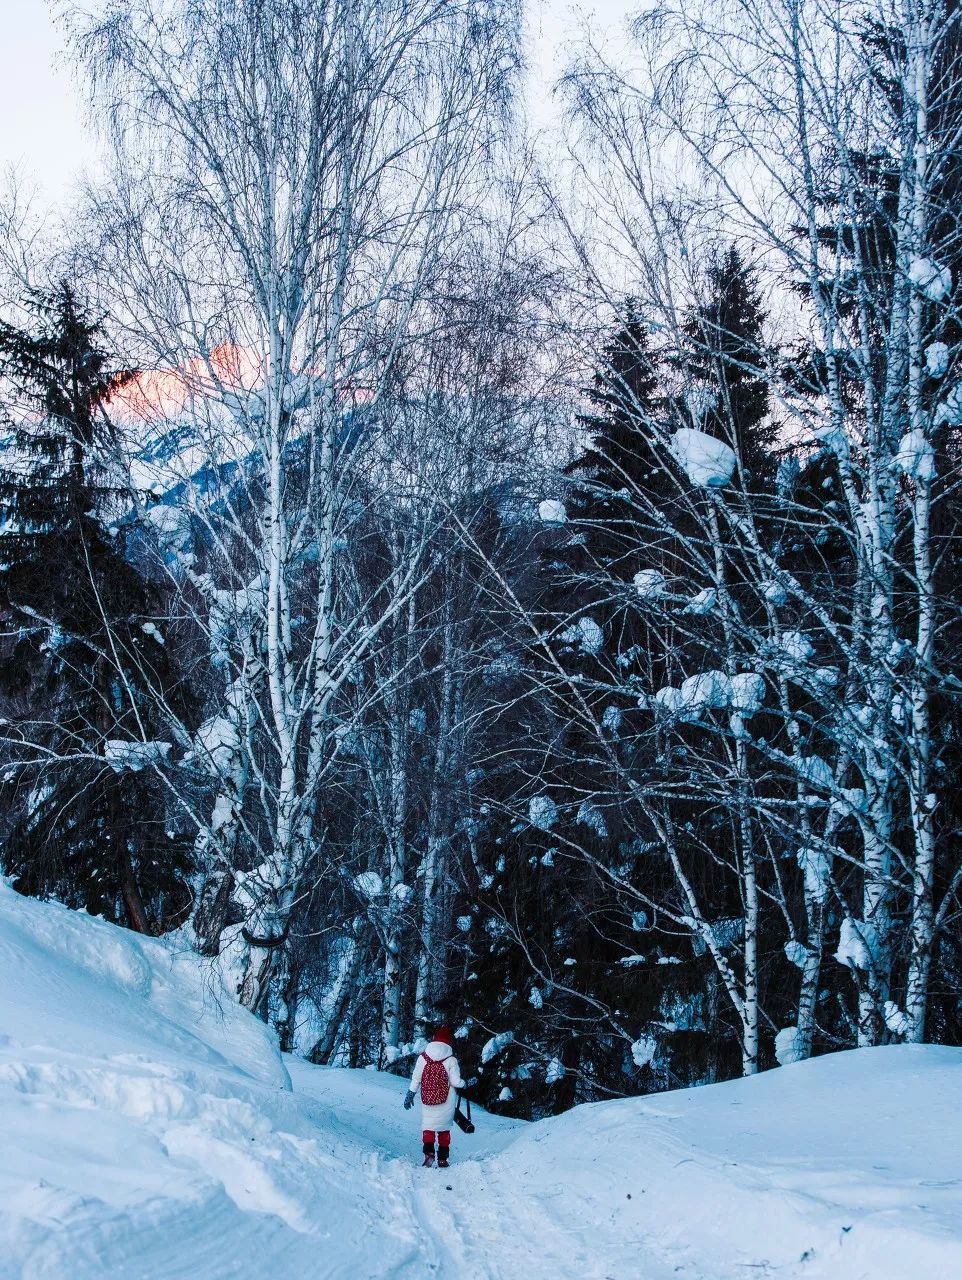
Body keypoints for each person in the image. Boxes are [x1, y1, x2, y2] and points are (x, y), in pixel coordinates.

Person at [404, 1025, 465, 1167]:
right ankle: (443, 1159)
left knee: (428, 1127)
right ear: (448, 1042)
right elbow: (456, 1082)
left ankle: (429, 1153)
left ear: (434, 1041)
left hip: (428, 1099)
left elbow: (416, 1078)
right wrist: (464, 1083)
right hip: (446, 1100)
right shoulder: (451, 1060)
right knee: (444, 1130)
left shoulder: (423, 1058)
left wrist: (410, 1094)